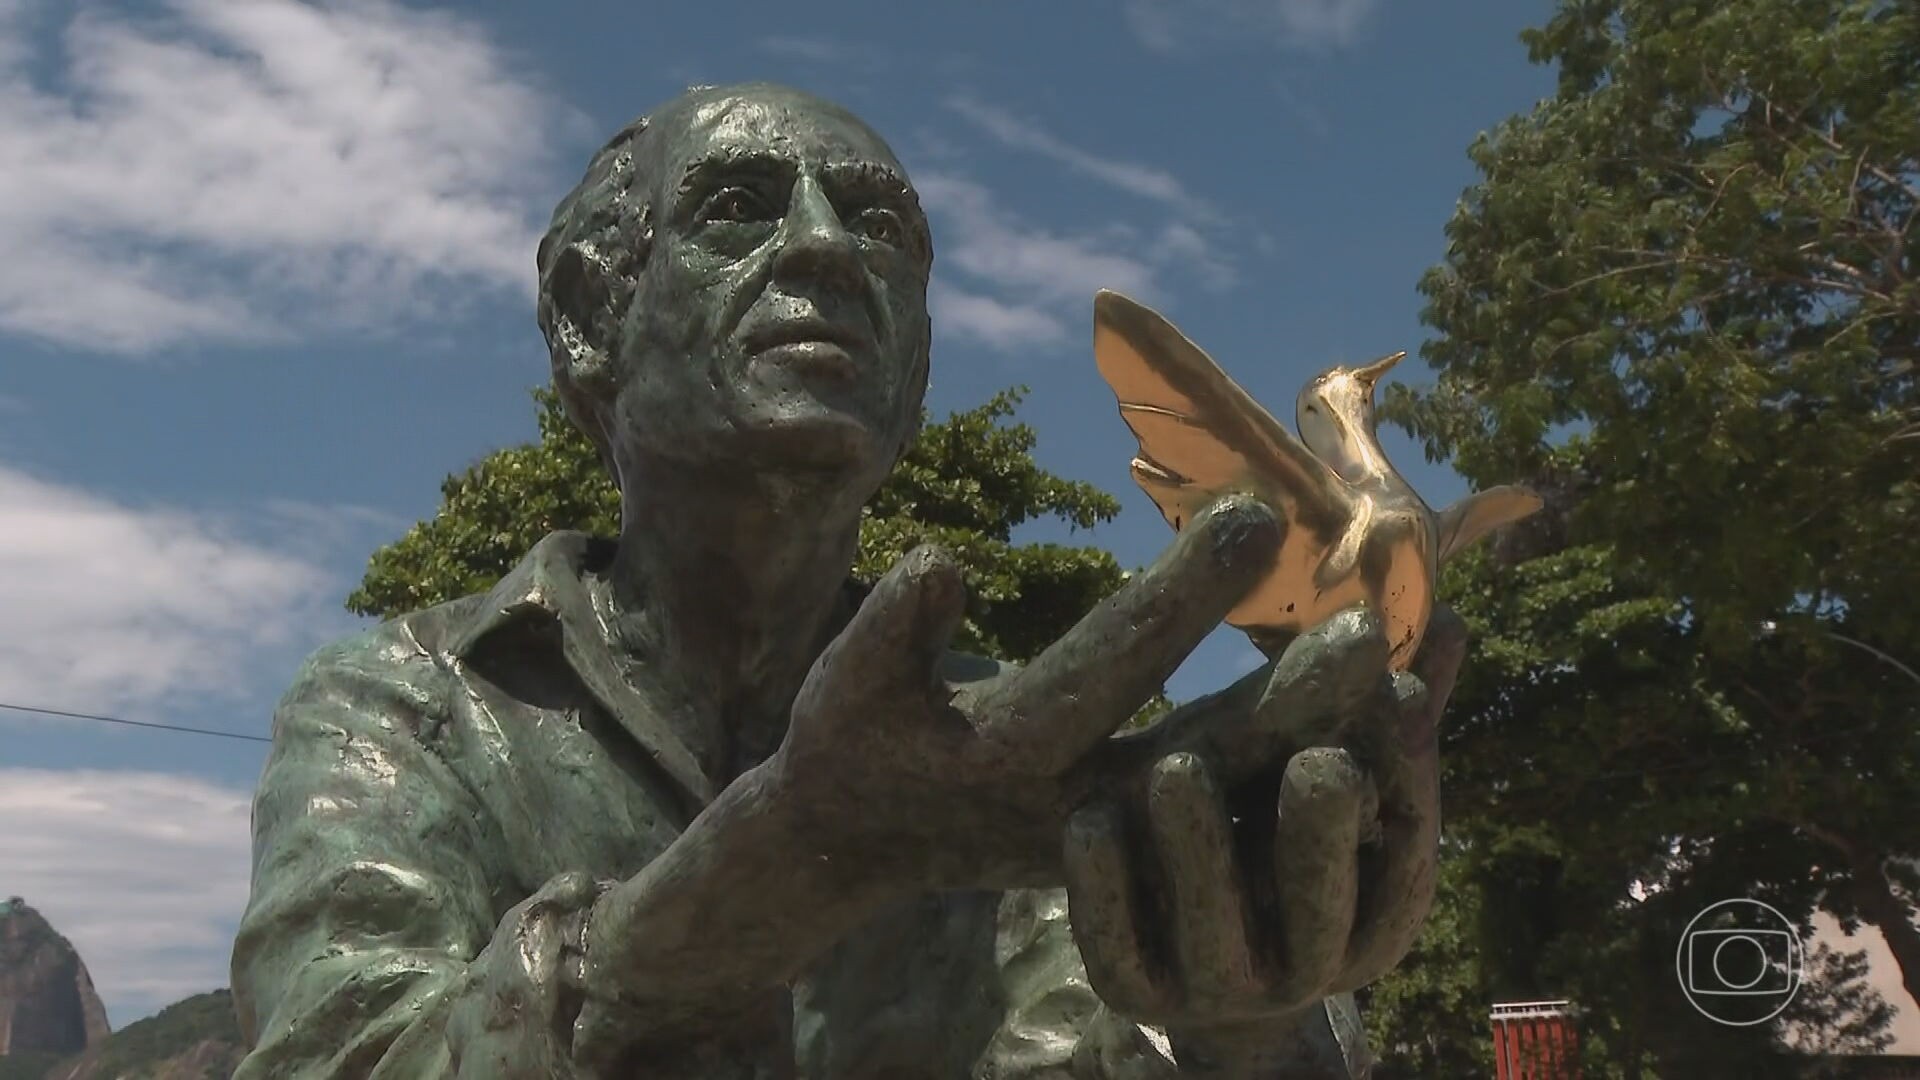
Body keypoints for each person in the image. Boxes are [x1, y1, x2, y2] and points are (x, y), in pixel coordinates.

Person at [229, 82, 1464, 1079]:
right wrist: (755, 881)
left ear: (913, 366)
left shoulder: (1003, 760)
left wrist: (1249, 1028)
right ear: (586, 315)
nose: (823, 244)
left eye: (878, 229)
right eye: (737, 208)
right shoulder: (405, 714)